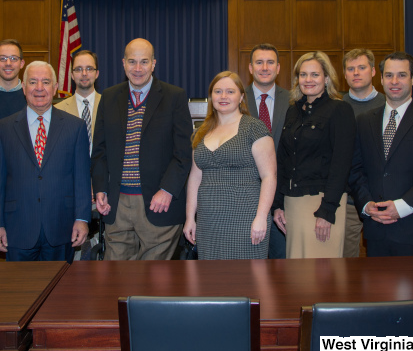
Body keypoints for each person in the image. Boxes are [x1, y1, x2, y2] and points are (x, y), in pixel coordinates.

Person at [91, 38, 193, 260]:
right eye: (132, 61)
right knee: (115, 282)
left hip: (159, 204)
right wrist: (101, 189)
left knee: (153, 284)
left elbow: (183, 153)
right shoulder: (108, 97)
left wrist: (167, 190)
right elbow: (99, 150)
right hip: (116, 205)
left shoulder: (174, 97)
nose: (138, 69)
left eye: (144, 62)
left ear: (154, 64)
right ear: (123, 63)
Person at [349, 52, 413, 257]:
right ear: (381, 79)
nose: (394, 81)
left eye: (402, 75)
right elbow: (356, 169)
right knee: (377, 290)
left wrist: (402, 206)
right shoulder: (364, 120)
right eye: (389, 75)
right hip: (377, 232)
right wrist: (366, 204)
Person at [0, 61, 91, 261]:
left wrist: (82, 219)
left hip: (61, 227)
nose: (39, 88)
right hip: (17, 228)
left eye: (45, 82)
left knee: (59, 290)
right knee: (20, 291)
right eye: (33, 82)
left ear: (55, 87)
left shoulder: (75, 127)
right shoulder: (2, 129)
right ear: (24, 88)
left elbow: (82, 178)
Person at [184, 72, 277, 259]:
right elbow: (195, 178)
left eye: (230, 91)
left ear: (241, 96)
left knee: (247, 280)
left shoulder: (254, 128)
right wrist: (189, 218)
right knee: (211, 279)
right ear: (211, 97)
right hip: (208, 222)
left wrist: (261, 217)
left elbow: (269, 176)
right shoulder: (201, 132)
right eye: (218, 91)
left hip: (246, 219)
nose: (223, 96)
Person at [272, 52, 356, 258]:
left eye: (315, 75)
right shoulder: (293, 111)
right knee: (296, 274)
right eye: (303, 75)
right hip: (292, 203)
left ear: (326, 78)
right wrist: (278, 205)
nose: (308, 80)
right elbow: (283, 160)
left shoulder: (340, 109)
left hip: (322, 204)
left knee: (322, 278)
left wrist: (327, 210)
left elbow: (341, 164)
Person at [245, 43, 290, 259]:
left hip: (283, 197)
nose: (265, 67)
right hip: (245, 194)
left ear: (279, 68)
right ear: (251, 68)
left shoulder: (293, 100)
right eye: (259, 62)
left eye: (270, 62)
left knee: (282, 264)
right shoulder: (236, 99)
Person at [341, 49, 386, 258]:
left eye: (361, 67)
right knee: (345, 267)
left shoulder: (388, 104)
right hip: (347, 201)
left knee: (381, 269)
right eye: (350, 69)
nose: (356, 73)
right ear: (344, 74)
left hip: (382, 199)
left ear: (374, 71)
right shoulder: (337, 107)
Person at [55, 50, 101, 155]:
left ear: (97, 73)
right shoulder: (58, 110)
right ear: (72, 75)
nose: (84, 73)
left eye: (89, 69)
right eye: (78, 69)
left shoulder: (109, 106)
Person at [0, 39, 26, 121]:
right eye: (3, 58)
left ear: (21, 64)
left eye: (13, 58)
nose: (8, 63)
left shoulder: (30, 96)